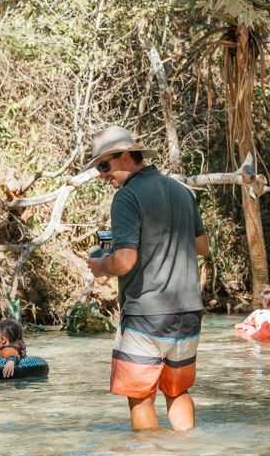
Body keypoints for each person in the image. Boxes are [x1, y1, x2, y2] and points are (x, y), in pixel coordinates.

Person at [85, 126, 209, 432]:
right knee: (177, 390)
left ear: (127, 157)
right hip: (188, 313)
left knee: (140, 397)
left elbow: (125, 261)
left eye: (104, 166)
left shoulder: (126, 197)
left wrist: (100, 265)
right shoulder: (182, 191)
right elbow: (202, 246)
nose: (103, 175)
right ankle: (186, 452)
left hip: (146, 315)